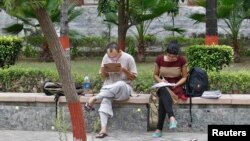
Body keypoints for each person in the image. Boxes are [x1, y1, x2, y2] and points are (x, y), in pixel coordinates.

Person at [85, 42, 137, 138]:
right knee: (105, 100)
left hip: (124, 89)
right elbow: (104, 77)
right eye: (110, 57)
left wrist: (124, 70)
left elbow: (134, 77)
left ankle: (95, 97)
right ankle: (103, 129)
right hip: (109, 87)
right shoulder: (106, 57)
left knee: (120, 83)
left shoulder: (128, 58)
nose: (111, 59)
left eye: (114, 57)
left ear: (120, 51)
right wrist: (103, 71)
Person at [152, 40, 188, 138]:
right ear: (166, 53)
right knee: (163, 89)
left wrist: (176, 84)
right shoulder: (159, 59)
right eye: (169, 56)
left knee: (163, 100)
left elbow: (184, 77)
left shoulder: (182, 60)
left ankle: (159, 129)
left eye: (174, 56)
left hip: (176, 86)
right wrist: (161, 82)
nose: (171, 58)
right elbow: (155, 75)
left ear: (177, 55)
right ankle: (171, 117)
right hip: (162, 84)